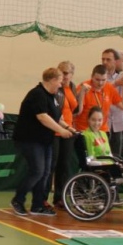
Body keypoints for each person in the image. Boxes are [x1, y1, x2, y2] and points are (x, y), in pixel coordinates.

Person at [11, 68, 75, 216]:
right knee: (37, 171)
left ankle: (38, 205)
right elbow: (43, 117)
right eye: (59, 81)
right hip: (29, 139)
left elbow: (57, 116)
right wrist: (61, 130)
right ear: (52, 80)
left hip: (45, 140)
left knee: (46, 172)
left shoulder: (52, 97)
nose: (60, 85)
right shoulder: (37, 94)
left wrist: (68, 128)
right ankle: (18, 200)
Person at [50, 61, 81, 208]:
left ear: (72, 74)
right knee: (52, 164)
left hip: (68, 131)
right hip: (56, 130)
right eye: (61, 72)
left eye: (66, 73)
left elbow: (76, 110)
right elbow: (54, 112)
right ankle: (43, 197)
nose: (63, 75)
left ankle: (60, 197)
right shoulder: (56, 89)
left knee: (64, 165)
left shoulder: (73, 87)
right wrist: (64, 126)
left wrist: (82, 94)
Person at [72, 64, 123, 132]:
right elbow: (77, 112)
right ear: (92, 77)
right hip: (84, 130)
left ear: (107, 78)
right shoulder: (84, 87)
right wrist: (81, 93)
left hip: (102, 130)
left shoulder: (109, 87)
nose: (100, 83)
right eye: (97, 80)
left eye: (103, 80)